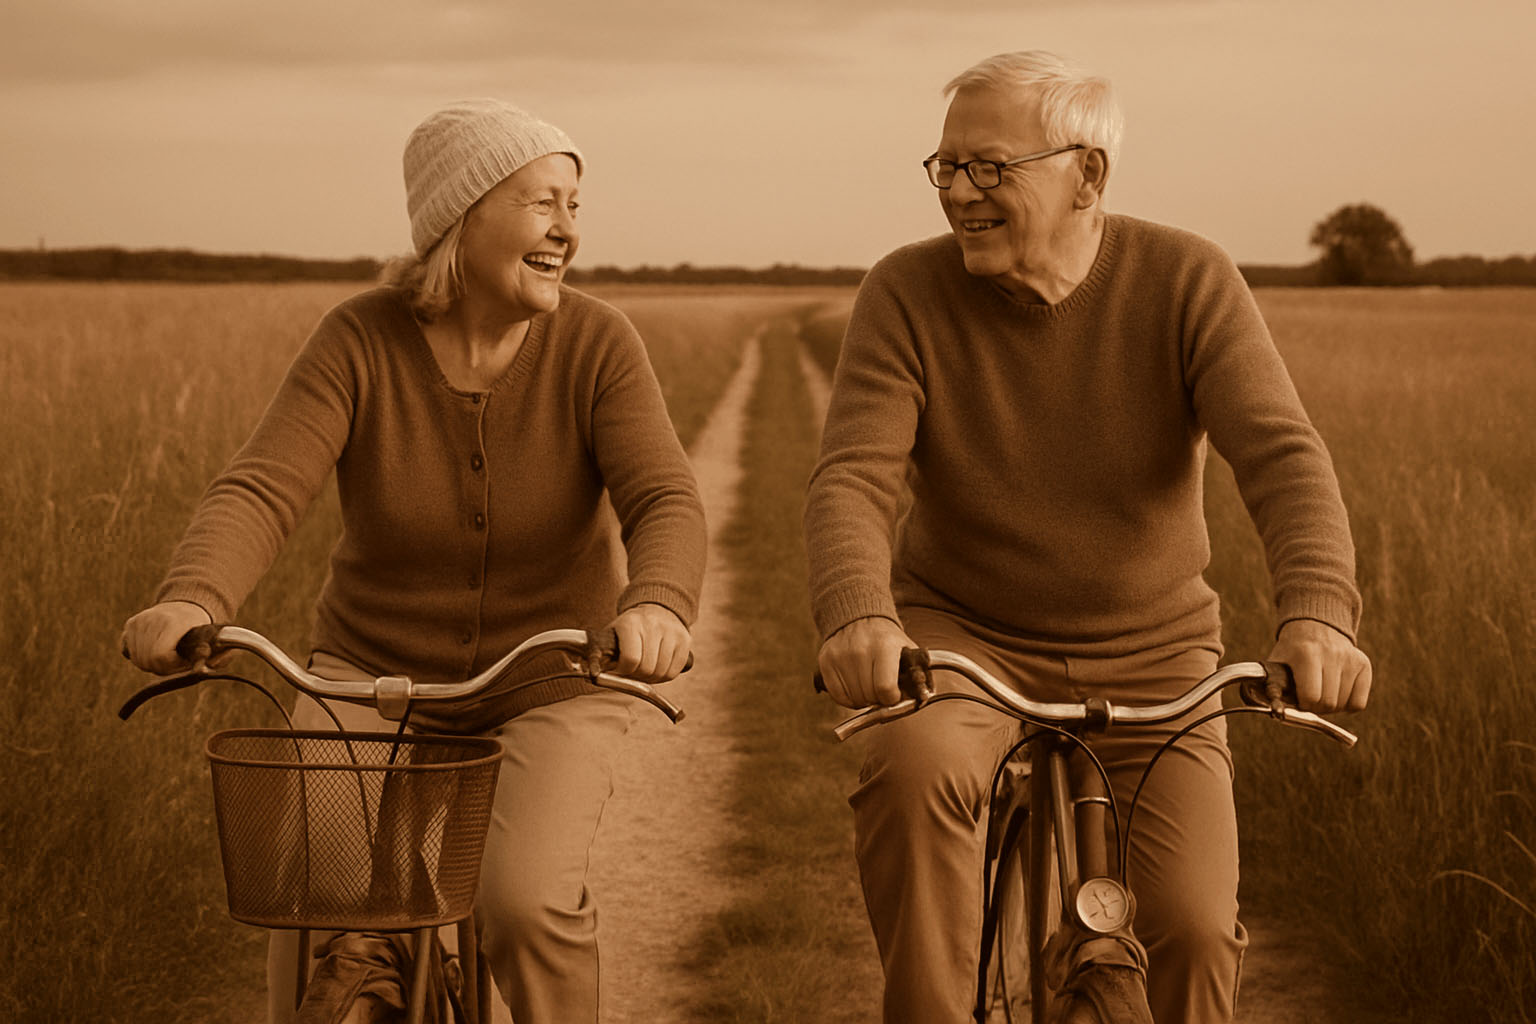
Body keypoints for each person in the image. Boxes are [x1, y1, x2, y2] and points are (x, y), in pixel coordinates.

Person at [804, 51, 1372, 1023]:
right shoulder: (906, 291)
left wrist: (1318, 614)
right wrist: (861, 615)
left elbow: (1280, 456)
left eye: (990, 168)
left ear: (1088, 175)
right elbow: (855, 475)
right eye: (945, 168)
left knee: (1192, 929)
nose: (959, 193)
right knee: (913, 776)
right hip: (965, 640)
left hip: (1156, 655)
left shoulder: (1187, 279)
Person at [120, 98, 707, 1024]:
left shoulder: (597, 344)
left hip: (549, 674)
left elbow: (663, 498)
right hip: (369, 672)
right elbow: (263, 487)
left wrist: (660, 605)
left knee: (523, 902)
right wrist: (191, 597)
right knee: (312, 890)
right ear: (461, 216)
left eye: (575, 205)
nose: (567, 230)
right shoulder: (359, 339)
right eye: (542, 203)